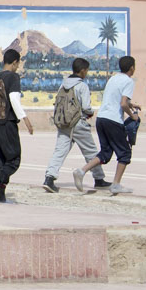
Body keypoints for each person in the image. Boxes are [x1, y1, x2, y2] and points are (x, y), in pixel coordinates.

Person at [73, 56, 140, 195]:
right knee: (125, 153)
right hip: (113, 120)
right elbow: (122, 103)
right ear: (132, 68)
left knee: (106, 152)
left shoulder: (113, 78)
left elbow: (116, 99)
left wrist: (131, 105)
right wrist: (132, 115)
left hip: (101, 119)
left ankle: (81, 171)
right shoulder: (128, 81)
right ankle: (116, 184)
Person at [43, 58, 109, 193]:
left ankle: (49, 178)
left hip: (63, 123)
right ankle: (99, 179)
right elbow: (86, 107)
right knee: (90, 151)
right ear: (83, 70)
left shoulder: (63, 84)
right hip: (78, 122)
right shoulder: (82, 86)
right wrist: (90, 112)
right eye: (87, 70)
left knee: (59, 151)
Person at [0, 49, 34, 204]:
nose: (18, 67)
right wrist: (25, 119)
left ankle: (1, 196)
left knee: (3, 163)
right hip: (7, 123)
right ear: (15, 62)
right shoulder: (13, 77)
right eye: (18, 63)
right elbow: (13, 99)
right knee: (14, 160)